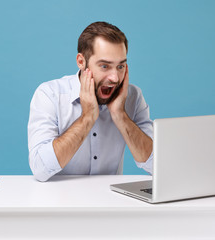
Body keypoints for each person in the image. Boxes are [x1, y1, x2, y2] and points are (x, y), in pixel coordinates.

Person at [28, 21, 153, 182]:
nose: (115, 78)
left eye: (120, 67)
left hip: (110, 202)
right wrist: (87, 117)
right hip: (59, 201)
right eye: (104, 66)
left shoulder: (133, 97)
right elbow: (40, 169)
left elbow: (157, 165)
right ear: (81, 62)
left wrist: (120, 115)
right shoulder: (50, 95)